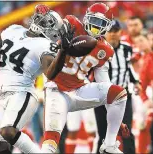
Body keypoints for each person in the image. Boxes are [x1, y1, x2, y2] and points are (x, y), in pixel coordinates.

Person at [36, 3, 128, 154]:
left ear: (107, 26)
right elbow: (55, 23)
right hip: (57, 89)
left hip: (80, 89)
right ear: (86, 17)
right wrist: (45, 13)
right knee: (50, 143)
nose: (96, 26)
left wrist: (118, 121)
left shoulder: (105, 50)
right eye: (94, 20)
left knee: (119, 94)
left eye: (101, 23)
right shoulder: (72, 24)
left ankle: (110, 144)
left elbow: (104, 84)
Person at [0, 8, 69, 154]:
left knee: (8, 131)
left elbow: (49, 72)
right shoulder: (14, 30)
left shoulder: (44, 44)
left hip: (22, 94)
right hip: (1, 97)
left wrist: (62, 51)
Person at [94, 19, 142, 154]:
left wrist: (136, 82)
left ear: (121, 32)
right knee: (103, 134)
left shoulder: (127, 48)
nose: (113, 34)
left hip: (124, 97)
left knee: (127, 133)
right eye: (110, 31)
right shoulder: (98, 49)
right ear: (105, 33)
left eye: (116, 31)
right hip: (103, 98)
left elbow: (128, 68)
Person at [134, 34, 153, 153]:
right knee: (142, 125)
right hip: (141, 97)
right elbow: (141, 85)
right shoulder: (148, 60)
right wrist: (146, 100)